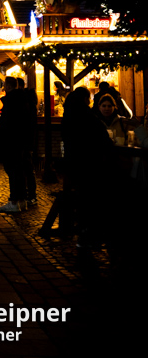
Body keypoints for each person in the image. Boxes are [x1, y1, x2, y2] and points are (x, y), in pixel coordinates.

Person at [61, 86, 116, 249]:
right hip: (91, 165)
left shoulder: (68, 114)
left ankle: (82, 234)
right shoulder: (88, 116)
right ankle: (89, 235)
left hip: (74, 163)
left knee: (83, 198)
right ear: (85, 99)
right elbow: (103, 139)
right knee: (91, 200)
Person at [0, 76, 34, 213]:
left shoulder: (11, 102)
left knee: (13, 171)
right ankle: (22, 200)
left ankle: (13, 201)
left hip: (11, 142)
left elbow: (7, 124)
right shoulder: (23, 100)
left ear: (8, 86)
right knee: (20, 171)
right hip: (22, 141)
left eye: (4, 85)